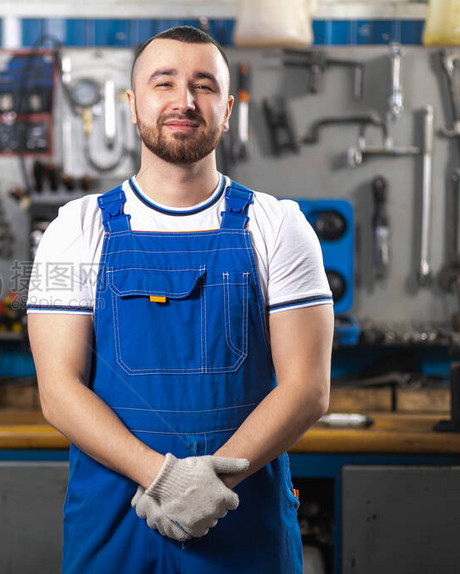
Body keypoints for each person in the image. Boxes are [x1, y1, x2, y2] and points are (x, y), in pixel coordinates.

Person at [26, 26, 334, 573]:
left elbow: (307, 388)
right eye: (163, 82)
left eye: (204, 86)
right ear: (132, 103)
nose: (184, 101)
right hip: (116, 523)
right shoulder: (75, 229)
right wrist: (166, 479)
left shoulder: (279, 226)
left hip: (242, 520)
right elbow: (58, 391)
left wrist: (211, 487)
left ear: (229, 107)